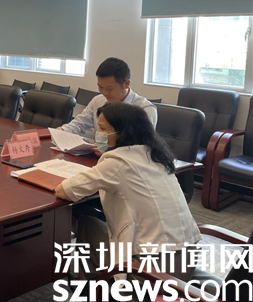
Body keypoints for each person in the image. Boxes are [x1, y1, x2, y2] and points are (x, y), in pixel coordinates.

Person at [55, 103, 201, 283]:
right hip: (186, 261)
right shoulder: (157, 156)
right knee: (104, 221)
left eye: (102, 129)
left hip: (149, 273)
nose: (98, 133)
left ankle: (87, 285)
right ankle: (91, 281)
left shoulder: (118, 162)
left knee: (87, 222)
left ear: (122, 132)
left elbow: (65, 191)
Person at [59, 57, 157, 136]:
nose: (104, 93)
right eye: (100, 87)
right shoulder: (98, 101)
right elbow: (79, 124)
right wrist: (60, 131)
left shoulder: (145, 109)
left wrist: (110, 149)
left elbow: (142, 144)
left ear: (126, 84)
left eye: (110, 88)